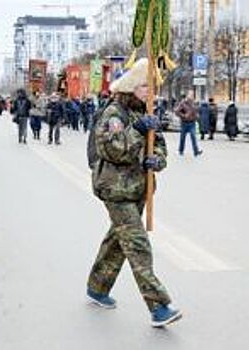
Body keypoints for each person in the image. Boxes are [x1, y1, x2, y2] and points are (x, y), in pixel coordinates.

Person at [87, 58, 181, 328]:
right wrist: (138, 132)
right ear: (131, 87)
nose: (151, 93)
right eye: (145, 87)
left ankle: (97, 287)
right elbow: (113, 150)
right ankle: (159, 306)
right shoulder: (114, 114)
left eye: (152, 88)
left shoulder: (145, 112)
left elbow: (160, 145)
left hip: (139, 188)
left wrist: (157, 161)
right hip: (116, 190)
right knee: (137, 245)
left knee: (117, 242)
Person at [175, 89, 202, 157]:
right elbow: (176, 111)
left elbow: (196, 112)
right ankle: (180, 150)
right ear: (187, 95)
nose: (191, 96)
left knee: (193, 136)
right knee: (182, 137)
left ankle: (196, 151)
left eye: (192, 95)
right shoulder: (183, 103)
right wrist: (183, 116)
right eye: (190, 94)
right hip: (184, 123)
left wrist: (197, 116)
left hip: (192, 123)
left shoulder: (194, 103)